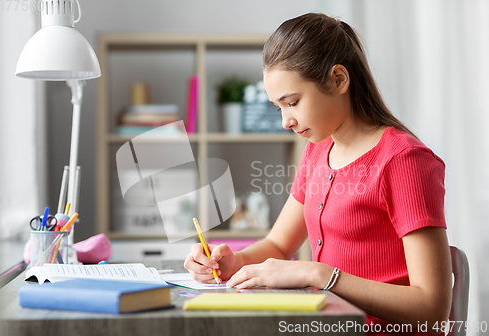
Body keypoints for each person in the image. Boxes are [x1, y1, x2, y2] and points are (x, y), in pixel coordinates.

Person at [184, 13, 451, 334]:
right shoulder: (317, 151)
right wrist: (235, 262)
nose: (286, 121)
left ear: (339, 79)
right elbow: (280, 245)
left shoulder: (404, 160)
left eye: (293, 102)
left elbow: (433, 309)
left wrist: (321, 275)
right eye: (278, 107)